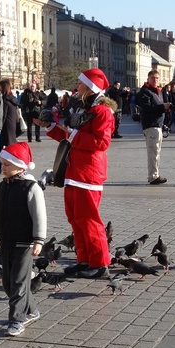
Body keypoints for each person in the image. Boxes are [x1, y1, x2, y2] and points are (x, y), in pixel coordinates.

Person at [34, 68, 115, 279]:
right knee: (76, 219)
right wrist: (51, 126)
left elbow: (102, 143)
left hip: (88, 173)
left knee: (89, 220)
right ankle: (84, 260)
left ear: (90, 87)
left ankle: (100, 263)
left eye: (80, 83)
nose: (76, 86)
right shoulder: (85, 108)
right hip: (74, 172)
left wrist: (73, 135)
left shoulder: (102, 112)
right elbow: (70, 137)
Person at [0, 141, 47, 336]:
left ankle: (16, 320)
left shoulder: (31, 188)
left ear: (20, 165)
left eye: (6, 164)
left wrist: (39, 240)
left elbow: (39, 215)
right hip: (6, 241)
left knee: (19, 282)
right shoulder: (1, 188)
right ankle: (31, 309)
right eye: (2, 164)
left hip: (24, 243)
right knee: (8, 283)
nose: (2, 168)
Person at [136, 70, 171, 185]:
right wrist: (162, 107)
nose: (155, 80)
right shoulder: (145, 92)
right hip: (151, 125)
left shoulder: (157, 91)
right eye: (152, 78)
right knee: (153, 151)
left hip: (158, 125)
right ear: (148, 78)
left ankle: (155, 174)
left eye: (157, 78)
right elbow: (146, 109)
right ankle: (153, 176)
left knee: (156, 151)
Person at [0, 79, 19, 148]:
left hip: (6, 125)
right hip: (12, 123)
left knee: (4, 144)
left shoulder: (5, 100)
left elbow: (3, 114)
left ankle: (4, 158)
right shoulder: (12, 98)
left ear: (3, 88)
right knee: (10, 143)